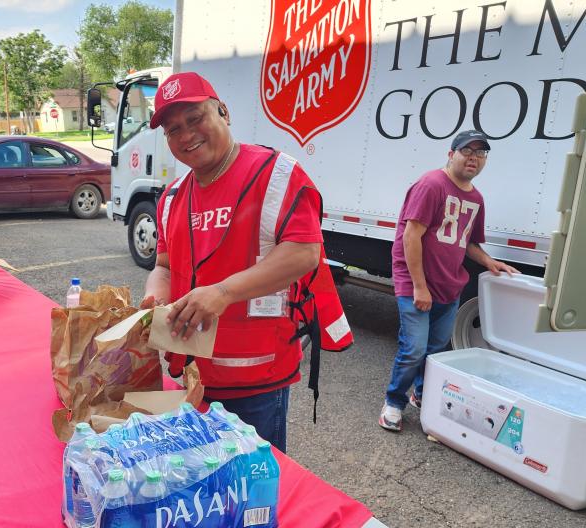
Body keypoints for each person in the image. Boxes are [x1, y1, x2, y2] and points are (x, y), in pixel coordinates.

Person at [141, 72, 352, 452]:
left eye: (195, 119)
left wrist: (222, 293)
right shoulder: (172, 196)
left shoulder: (274, 173)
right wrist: (155, 297)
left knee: (251, 491)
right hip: (191, 374)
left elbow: (305, 253)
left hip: (255, 378)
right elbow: (164, 265)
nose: (186, 135)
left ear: (223, 112)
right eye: (173, 130)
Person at [378, 130, 518, 432]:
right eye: (467, 151)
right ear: (450, 153)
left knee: (435, 348)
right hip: (416, 283)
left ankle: (421, 394)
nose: (474, 158)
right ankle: (393, 402)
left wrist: (489, 261)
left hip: (448, 286)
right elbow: (410, 235)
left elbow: (467, 242)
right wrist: (419, 286)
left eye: (481, 153)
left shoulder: (476, 198)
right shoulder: (431, 185)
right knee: (413, 348)